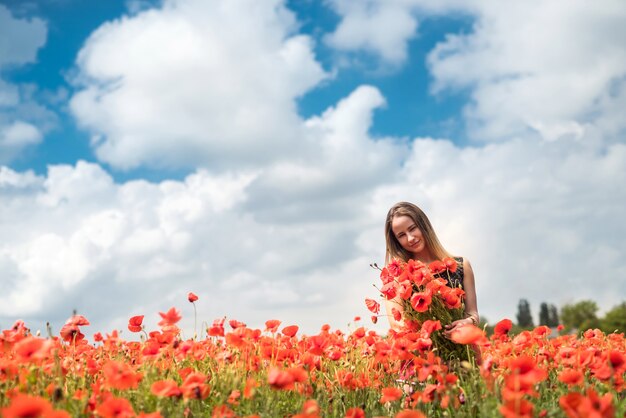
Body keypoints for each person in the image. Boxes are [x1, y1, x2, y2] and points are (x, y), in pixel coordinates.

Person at [383, 202, 479, 338]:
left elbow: (473, 313)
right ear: (396, 241)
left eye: (412, 228)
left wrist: (467, 322)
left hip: (465, 351)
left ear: (424, 225)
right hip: (424, 356)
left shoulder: (462, 265)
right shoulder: (397, 279)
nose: (410, 238)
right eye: (401, 235)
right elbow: (398, 327)